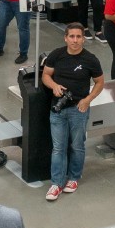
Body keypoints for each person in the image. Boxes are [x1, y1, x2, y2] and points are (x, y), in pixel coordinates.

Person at [42, 23, 106, 201]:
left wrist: (87, 100)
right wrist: (54, 86)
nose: (75, 40)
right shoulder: (56, 55)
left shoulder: (90, 59)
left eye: (78, 37)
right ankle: (56, 183)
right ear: (65, 38)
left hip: (79, 110)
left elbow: (100, 82)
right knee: (58, 148)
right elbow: (46, 75)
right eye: (72, 36)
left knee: (77, 146)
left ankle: (74, 178)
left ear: (83, 39)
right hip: (58, 109)